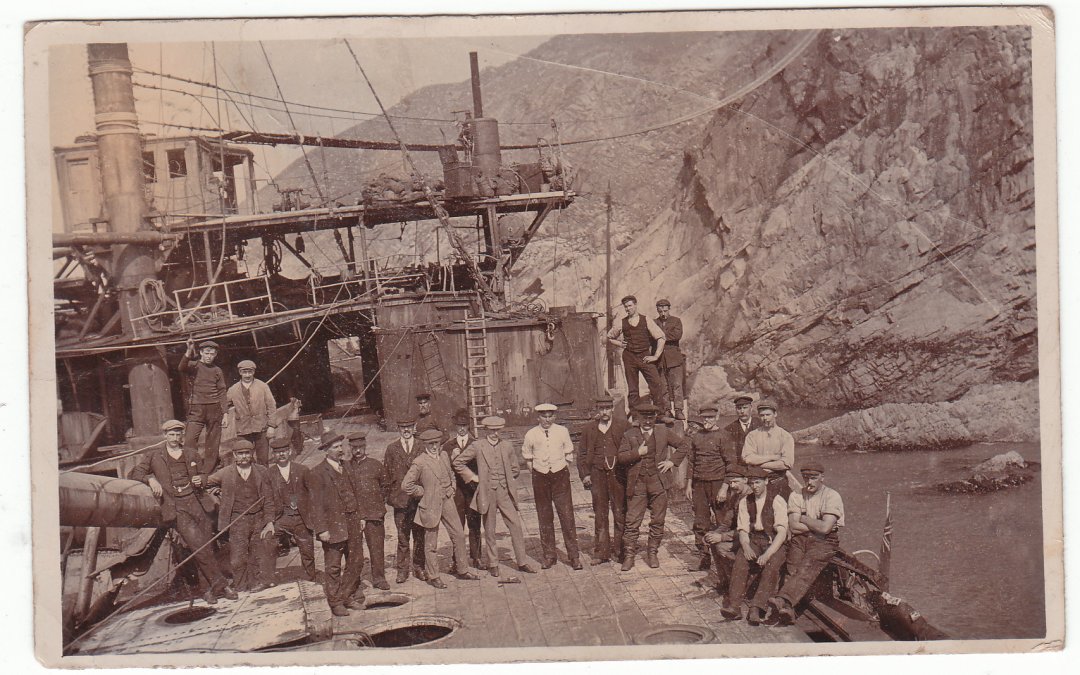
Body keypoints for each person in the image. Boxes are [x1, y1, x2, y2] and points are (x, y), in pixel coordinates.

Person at [129, 419, 236, 605]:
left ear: (182, 436)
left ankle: (208, 590)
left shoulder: (191, 453)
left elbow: (204, 474)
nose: (175, 438)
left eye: (178, 434)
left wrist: (200, 479)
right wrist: (150, 479)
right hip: (176, 506)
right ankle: (222, 585)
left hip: (197, 502)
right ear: (165, 436)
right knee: (199, 545)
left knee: (206, 546)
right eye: (171, 434)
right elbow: (134, 473)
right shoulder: (155, 455)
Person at [452, 416, 537, 577]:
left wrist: (506, 479)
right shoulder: (477, 446)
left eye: (497, 430)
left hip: (505, 493)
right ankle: (493, 564)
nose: (494, 433)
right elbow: (458, 463)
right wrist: (473, 477)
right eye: (491, 430)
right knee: (490, 529)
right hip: (487, 493)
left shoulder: (507, 446)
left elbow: (515, 468)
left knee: (516, 526)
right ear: (485, 430)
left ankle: (522, 562)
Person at [767, 461, 845, 626]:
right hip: (801, 538)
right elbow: (793, 526)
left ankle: (782, 600)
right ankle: (789, 610)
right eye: (806, 478)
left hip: (826, 541)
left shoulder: (832, 496)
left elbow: (825, 529)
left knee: (807, 566)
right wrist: (814, 523)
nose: (809, 482)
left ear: (822, 478)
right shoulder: (796, 495)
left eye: (814, 478)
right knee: (792, 567)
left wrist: (802, 517)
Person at [402, 429, 480, 588]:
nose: (433, 447)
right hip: (430, 505)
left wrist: (452, 486)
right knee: (431, 543)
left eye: (436, 443)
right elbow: (406, 485)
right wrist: (421, 492)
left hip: (447, 501)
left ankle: (462, 569)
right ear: (425, 445)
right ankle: (434, 575)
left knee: (458, 534)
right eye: (430, 444)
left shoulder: (444, 455)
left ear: (439, 443)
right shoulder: (420, 462)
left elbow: (451, 473)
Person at [617, 402, 689, 570]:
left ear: (655, 418)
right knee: (632, 521)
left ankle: (652, 553)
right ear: (638, 418)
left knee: (658, 519)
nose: (647, 421)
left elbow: (684, 445)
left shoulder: (663, 432)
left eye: (651, 418)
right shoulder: (630, 434)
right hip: (638, 483)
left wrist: (672, 461)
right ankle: (629, 555)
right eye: (644, 418)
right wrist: (637, 453)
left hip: (659, 482)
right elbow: (621, 457)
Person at [306, 433, 366, 616]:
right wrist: (322, 529)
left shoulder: (347, 466)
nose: (340, 450)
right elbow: (315, 505)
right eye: (335, 447)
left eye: (341, 446)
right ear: (325, 450)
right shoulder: (316, 473)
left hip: (353, 522)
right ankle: (335, 602)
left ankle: (347, 595)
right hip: (332, 526)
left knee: (356, 561)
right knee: (333, 566)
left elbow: (356, 493)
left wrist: (361, 517)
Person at [206, 439, 279, 592]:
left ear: (252, 454)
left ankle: (256, 584)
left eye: (247, 453)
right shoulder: (226, 472)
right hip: (237, 520)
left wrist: (269, 521)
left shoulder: (262, 471)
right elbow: (206, 483)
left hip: (258, 518)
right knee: (238, 557)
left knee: (257, 553)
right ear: (234, 455)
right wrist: (215, 491)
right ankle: (240, 585)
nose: (244, 456)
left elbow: (269, 498)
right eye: (240, 454)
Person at [721, 466, 789, 624]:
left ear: (766, 481)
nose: (755, 487)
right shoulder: (746, 501)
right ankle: (734, 607)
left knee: (771, 566)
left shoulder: (777, 500)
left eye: (758, 483)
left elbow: (782, 533)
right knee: (741, 561)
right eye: (752, 483)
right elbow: (743, 529)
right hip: (754, 539)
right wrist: (745, 546)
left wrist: (767, 554)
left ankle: (757, 608)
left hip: (774, 541)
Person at [521, 403, 582, 570]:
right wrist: (536, 471)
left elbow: (569, 452)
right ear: (538, 417)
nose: (547, 419)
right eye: (543, 416)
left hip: (560, 476)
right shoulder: (531, 434)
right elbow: (527, 456)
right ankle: (549, 555)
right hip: (540, 477)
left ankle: (574, 556)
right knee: (544, 516)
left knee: (567, 515)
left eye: (550, 416)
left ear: (554, 416)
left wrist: (562, 467)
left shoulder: (562, 432)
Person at [577, 396, 629, 564]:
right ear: (597, 410)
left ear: (612, 408)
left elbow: (630, 449)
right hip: (597, 475)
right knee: (600, 513)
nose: (604, 412)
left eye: (607, 408)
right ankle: (602, 553)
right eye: (601, 408)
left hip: (617, 475)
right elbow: (582, 454)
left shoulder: (623, 425)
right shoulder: (589, 429)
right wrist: (585, 474)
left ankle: (621, 551)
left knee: (620, 512)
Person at [605, 295, 668, 414]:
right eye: (625, 307)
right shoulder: (621, 322)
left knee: (656, 384)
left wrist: (655, 356)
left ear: (635, 305)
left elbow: (661, 337)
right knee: (633, 388)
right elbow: (609, 337)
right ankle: (635, 416)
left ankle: (660, 414)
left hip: (644, 356)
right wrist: (619, 343)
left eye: (630, 306)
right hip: (629, 357)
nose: (628, 309)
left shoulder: (646, 320)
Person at [382, 417, 426, 583]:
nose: (406, 430)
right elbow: (386, 474)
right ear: (398, 428)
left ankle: (419, 567)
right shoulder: (391, 449)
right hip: (400, 500)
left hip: (418, 499)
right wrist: (390, 497)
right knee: (402, 537)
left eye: (409, 427)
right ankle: (402, 570)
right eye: (402, 427)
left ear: (414, 427)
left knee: (419, 535)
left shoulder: (421, 446)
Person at [345, 430, 391, 591]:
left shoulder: (375, 465)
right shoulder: (345, 468)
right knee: (354, 552)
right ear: (349, 448)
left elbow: (386, 486)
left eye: (360, 447)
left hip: (374, 515)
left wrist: (377, 504)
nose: (357, 450)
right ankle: (354, 581)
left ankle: (379, 579)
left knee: (377, 548)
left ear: (365, 446)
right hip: (354, 517)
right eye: (354, 447)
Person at [685, 405, 729, 571]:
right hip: (700, 484)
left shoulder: (724, 436)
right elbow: (691, 461)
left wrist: (724, 488)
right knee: (700, 521)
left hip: (718, 483)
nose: (707, 421)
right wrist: (689, 484)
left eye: (710, 418)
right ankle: (703, 557)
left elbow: (730, 464)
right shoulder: (697, 436)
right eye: (705, 418)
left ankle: (724, 562)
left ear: (717, 417)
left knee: (722, 521)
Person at [267, 436, 316, 583]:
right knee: (267, 540)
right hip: (281, 518)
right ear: (273, 455)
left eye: (284, 451)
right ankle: (268, 578)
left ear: (289, 452)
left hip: (301, 517)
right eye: (277, 452)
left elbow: (313, 494)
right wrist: (269, 521)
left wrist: (312, 517)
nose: (281, 455)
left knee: (307, 549)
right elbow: (268, 499)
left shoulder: (302, 470)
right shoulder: (269, 474)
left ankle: (310, 577)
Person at [441, 411, 483, 569]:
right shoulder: (448, 446)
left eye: (464, 425)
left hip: (472, 490)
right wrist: (452, 458)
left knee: (474, 523)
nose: (462, 429)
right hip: (456, 491)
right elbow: (444, 468)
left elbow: (480, 467)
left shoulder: (476, 443)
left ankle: (477, 557)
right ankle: (456, 559)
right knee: (457, 526)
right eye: (459, 426)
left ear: (468, 426)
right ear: (455, 426)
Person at [179, 339, 228, 473]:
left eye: (212, 354)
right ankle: (192, 468)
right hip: (197, 408)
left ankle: (208, 471)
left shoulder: (217, 370)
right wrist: (189, 350)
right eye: (206, 353)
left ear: (215, 355)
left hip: (215, 408)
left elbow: (222, 391)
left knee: (213, 441)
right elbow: (181, 367)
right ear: (201, 352)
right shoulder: (194, 366)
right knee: (189, 440)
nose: (209, 356)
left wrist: (226, 413)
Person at [225, 359, 277, 465]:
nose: (247, 375)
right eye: (244, 372)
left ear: (254, 372)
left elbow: (271, 407)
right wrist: (225, 415)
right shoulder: (233, 389)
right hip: (243, 430)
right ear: (240, 373)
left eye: (250, 372)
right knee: (244, 458)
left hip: (261, 428)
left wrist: (271, 426)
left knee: (263, 459)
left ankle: (263, 480)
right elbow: (224, 405)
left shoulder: (262, 386)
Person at [741, 400, 795, 498]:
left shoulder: (785, 436)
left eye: (768, 414)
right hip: (756, 483)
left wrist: (757, 464)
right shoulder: (752, 435)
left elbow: (787, 463)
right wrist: (773, 457)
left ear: (775, 414)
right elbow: (747, 458)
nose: (765, 418)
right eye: (762, 415)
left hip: (778, 481)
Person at [653, 299, 686, 420]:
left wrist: (659, 336)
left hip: (674, 359)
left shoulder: (676, 321)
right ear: (657, 310)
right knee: (663, 386)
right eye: (660, 311)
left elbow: (676, 336)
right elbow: (650, 337)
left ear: (669, 309)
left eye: (665, 311)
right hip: (660, 359)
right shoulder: (654, 322)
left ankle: (679, 410)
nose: (663, 313)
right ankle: (666, 410)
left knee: (677, 385)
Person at [723, 395, 758, 473]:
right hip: (739, 470)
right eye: (739, 408)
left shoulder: (760, 425)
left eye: (745, 408)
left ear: (751, 408)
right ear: (736, 410)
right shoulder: (729, 429)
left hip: (758, 468)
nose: (742, 411)